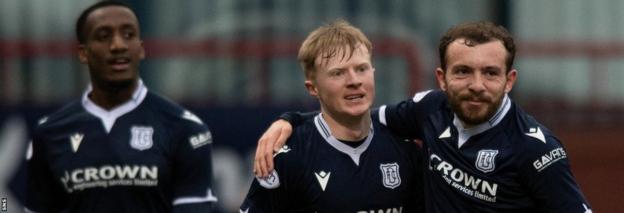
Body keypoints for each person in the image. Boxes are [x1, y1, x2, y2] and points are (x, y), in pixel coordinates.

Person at [254, 21, 593, 212]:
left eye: (490, 73)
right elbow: (355, 114)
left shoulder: (536, 149)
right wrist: (292, 121)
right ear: (442, 78)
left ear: (509, 80)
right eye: (463, 72)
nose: (477, 85)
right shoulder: (429, 110)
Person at [23, 1, 217, 212]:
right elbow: (13, 206)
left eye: (128, 35)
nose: (118, 45)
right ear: (83, 53)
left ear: (141, 49)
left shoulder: (185, 129)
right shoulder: (48, 133)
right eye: (104, 36)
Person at [240, 19, 424, 212]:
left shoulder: (406, 151)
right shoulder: (289, 157)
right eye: (338, 73)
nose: (354, 81)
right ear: (313, 88)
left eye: (361, 69)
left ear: (373, 73)